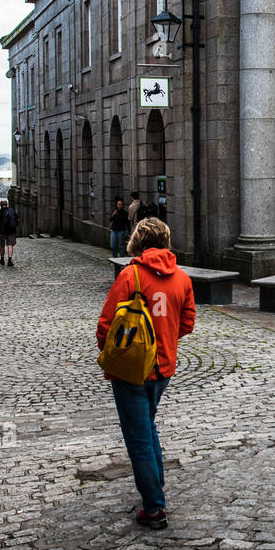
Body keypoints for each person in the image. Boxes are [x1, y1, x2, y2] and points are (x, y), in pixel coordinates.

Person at [96, 218, 195, 529]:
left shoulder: (131, 275)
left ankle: (154, 507)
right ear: (166, 240)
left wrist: (115, 355)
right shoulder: (182, 278)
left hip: (131, 370)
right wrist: (163, 340)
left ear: (137, 241)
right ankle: (156, 486)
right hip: (163, 368)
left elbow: (106, 325)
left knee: (138, 437)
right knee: (147, 426)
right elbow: (187, 323)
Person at [0, 199, 19, 267]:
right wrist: (15, 226)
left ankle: (2, 260)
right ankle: (9, 260)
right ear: (7, 205)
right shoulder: (12, 211)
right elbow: (18, 219)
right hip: (12, 230)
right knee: (10, 245)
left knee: (2, 245)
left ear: (0, 205)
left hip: (2, 231)